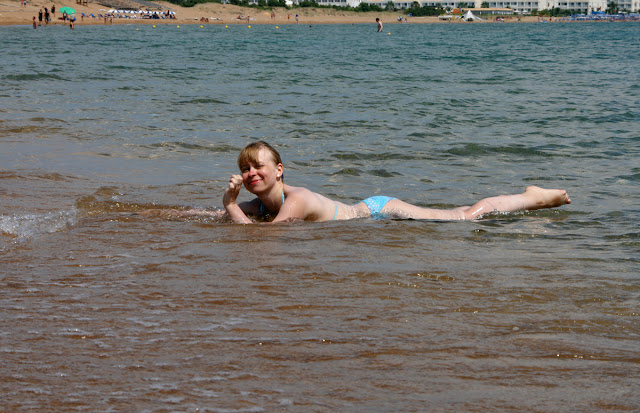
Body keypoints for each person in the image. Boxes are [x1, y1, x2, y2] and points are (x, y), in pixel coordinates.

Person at [222, 141, 571, 224]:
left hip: (379, 208)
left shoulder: (295, 199)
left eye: (258, 166)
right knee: (461, 215)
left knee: (462, 217)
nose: (251, 173)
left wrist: (230, 205)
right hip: (369, 215)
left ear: (279, 170)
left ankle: (532, 197)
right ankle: (530, 196)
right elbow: (219, 219)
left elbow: (262, 238)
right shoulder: (260, 205)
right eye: (245, 168)